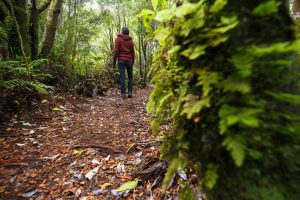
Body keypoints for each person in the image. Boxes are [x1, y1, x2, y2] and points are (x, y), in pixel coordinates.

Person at [113, 27, 135, 98]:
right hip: (129, 60)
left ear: (122, 32)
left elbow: (116, 51)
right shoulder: (130, 41)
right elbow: (133, 53)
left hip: (121, 60)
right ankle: (130, 93)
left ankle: (123, 94)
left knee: (122, 76)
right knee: (130, 77)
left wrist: (114, 61)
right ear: (128, 33)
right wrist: (132, 61)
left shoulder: (118, 39)